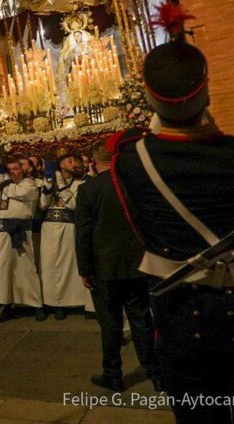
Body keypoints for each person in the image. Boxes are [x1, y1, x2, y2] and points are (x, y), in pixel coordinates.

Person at [110, 5, 234, 423]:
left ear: (148, 93)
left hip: (180, 317)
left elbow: (140, 226)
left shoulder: (129, 161)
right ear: (206, 91)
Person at [74, 141, 160, 393]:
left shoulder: (88, 189)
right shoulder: (131, 183)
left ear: (93, 161)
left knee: (110, 323)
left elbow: (83, 233)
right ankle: (155, 372)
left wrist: (84, 269)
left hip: (104, 267)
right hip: (135, 264)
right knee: (142, 318)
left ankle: (113, 375)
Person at [0, 158, 43, 321]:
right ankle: (6, 304)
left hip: (18, 231)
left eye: (16, 168)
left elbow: (21, 193)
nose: (13, 172)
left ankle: (35, 304)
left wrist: (3, 185)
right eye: (9, 169)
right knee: (1, 270)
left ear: (22, 170)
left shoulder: (28, 183)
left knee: (25, 268)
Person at [39, 148, 91, 319]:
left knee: (67, 265)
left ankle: (69, 301)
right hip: (49, 227)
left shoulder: (81, 183)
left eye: (75, 160)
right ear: (60, 164)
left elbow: (74, 205)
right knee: (48, 265)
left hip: (68, 225)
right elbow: (42, 205)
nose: (74, 163)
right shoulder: (50, 180)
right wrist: (47, 188)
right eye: (69, 160)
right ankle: (52, 302)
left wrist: (61, 185)